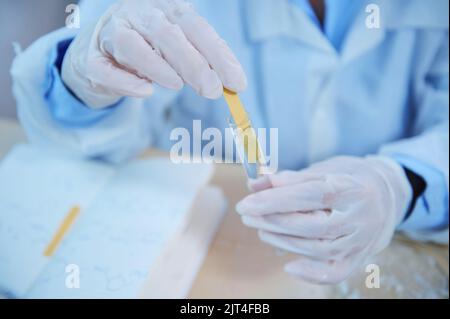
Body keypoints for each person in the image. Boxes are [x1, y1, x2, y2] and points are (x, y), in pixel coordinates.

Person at [11, 0, 448, 284]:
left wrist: (401, 184)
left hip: (391, 253)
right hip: (198, 253)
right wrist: (84, 77)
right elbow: (77, 137)